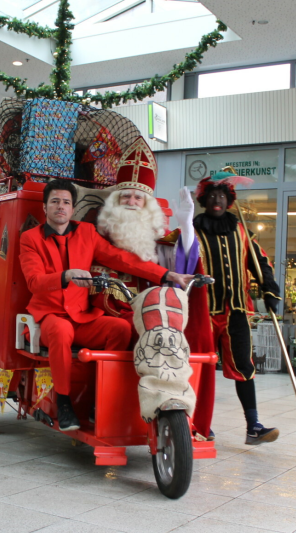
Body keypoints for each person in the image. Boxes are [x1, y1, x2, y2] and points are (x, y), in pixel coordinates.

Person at [19, 178, 192, 431]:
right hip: (50, 318)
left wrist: (166, 275)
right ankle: (64, 402)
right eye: (55, 201)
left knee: (120, 329)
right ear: (45, 207)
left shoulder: (86, 233)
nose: (61, 206)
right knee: (61, 330)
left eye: (66, 202)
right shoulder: (30, 238)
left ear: (72, 207)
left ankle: (100, 401)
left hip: (83, 317)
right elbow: (34, 281)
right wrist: (65, 277)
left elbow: (121, 259)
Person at [93, 154, 215, 440]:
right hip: (114, 314)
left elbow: (181, 267)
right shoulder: (100, 239)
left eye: (139, 198)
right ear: (115, 202)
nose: (132, 202)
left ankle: (180, 411)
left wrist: (187, 228)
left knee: (171, 334)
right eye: (126, 196)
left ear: (147, 205)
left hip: (152, 318)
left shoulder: (157, 244)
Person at [191, 172, 281, 445]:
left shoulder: (242, 231)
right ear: (204, 199)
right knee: (201, 368)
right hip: (202, 312)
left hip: (237, 312)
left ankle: (253, 426)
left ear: (229, 200)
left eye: (222, 195)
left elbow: (260, 263)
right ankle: (198, 423)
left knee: (244, 366)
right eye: (212, 195)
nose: (217, 199)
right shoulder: (191, 231)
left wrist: (270, 291)